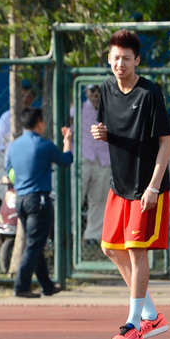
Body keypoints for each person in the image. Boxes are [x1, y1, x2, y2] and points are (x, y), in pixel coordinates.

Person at [92, 29, 170, 339]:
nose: (120, 63)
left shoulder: (150, 94)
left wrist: (153, 187)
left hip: (145, 187)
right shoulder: (107, 89)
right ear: (109, 60)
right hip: (119, 183)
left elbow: (165, 144)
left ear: (136, 60)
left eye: (126, 58)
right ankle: (152, 315)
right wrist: (104, 134)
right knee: (110, 247)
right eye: (115, 58)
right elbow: (116, 130)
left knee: (136, 251)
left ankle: (134, 325)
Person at [4, 108, 73, 298]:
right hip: (39, 200)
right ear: (39, 123)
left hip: (20, 200)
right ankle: (21, 286)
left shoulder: (14, 146)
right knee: (35, 244)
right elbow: (66, 161)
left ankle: (47, 286)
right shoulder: (43, 145)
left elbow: (8, 169)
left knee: (36, 242)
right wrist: (67, 141)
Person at [72, 85, 110, 245]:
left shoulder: (110, 110)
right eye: (92, 90)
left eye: (98, 90)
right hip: (83, 157)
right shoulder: (77, 110)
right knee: (75, 197)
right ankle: (72, 233)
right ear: (86, 92)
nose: (95, 94)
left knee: (99, 198)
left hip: (104, 159)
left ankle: (92, 235)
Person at [0, 81, 36, 152]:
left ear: (32, 100)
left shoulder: (34, 117)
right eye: (22, 96)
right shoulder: (7, 117)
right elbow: (0, 143)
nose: (25, 99)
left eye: (28, 96)